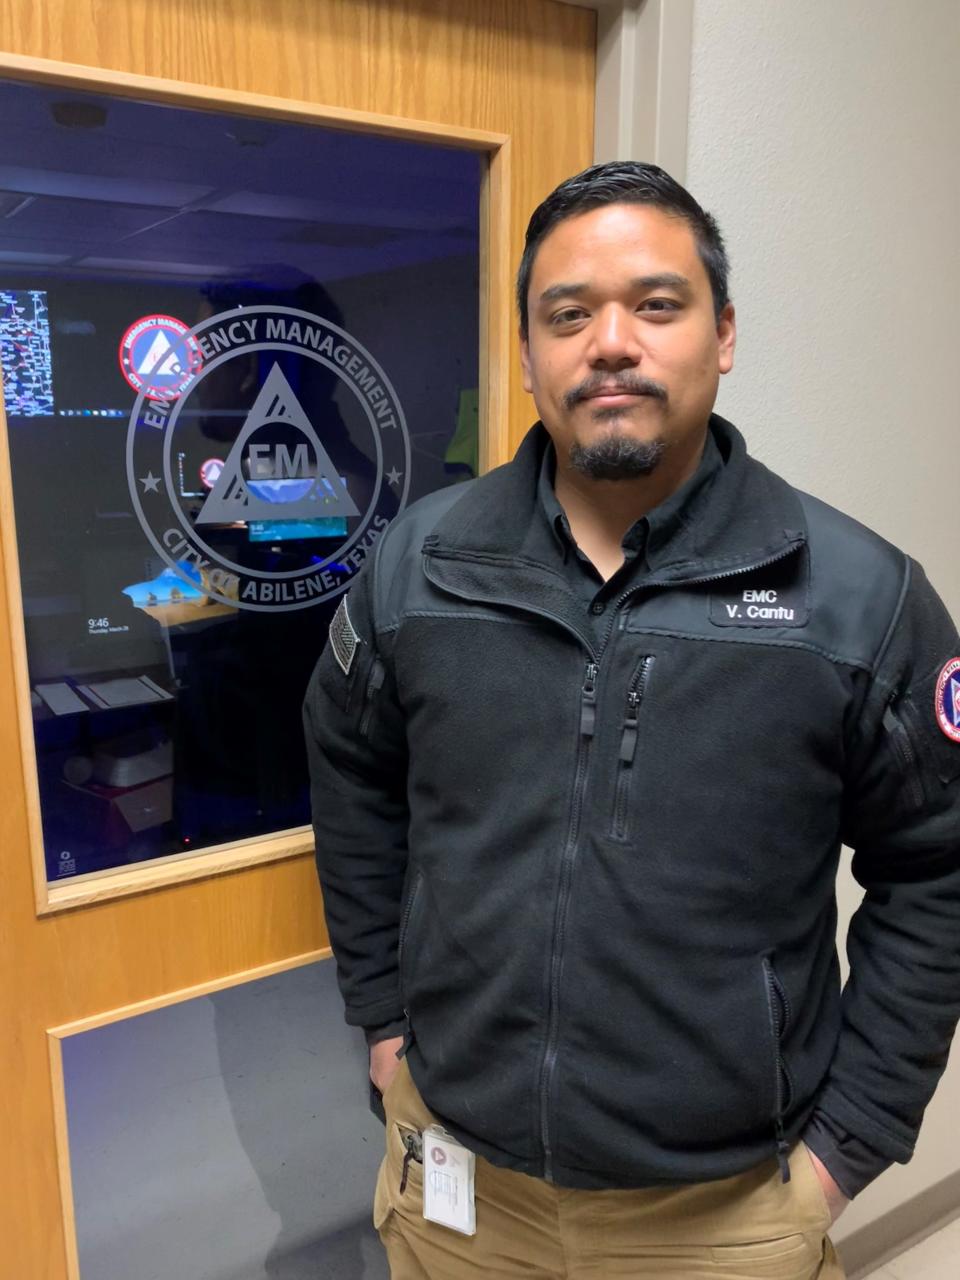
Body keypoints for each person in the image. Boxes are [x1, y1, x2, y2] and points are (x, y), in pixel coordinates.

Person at [303, 162, 960, 1278]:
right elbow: (352, 772)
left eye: (657, 303)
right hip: (458, 1178)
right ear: (527, 352)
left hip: (724, 1215)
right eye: (568, 313)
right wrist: (383, 1017)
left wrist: (847, 1143)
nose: (611, 341)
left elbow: (939, 867)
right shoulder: (419, 565)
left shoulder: (861, 598)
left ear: (725, 333)